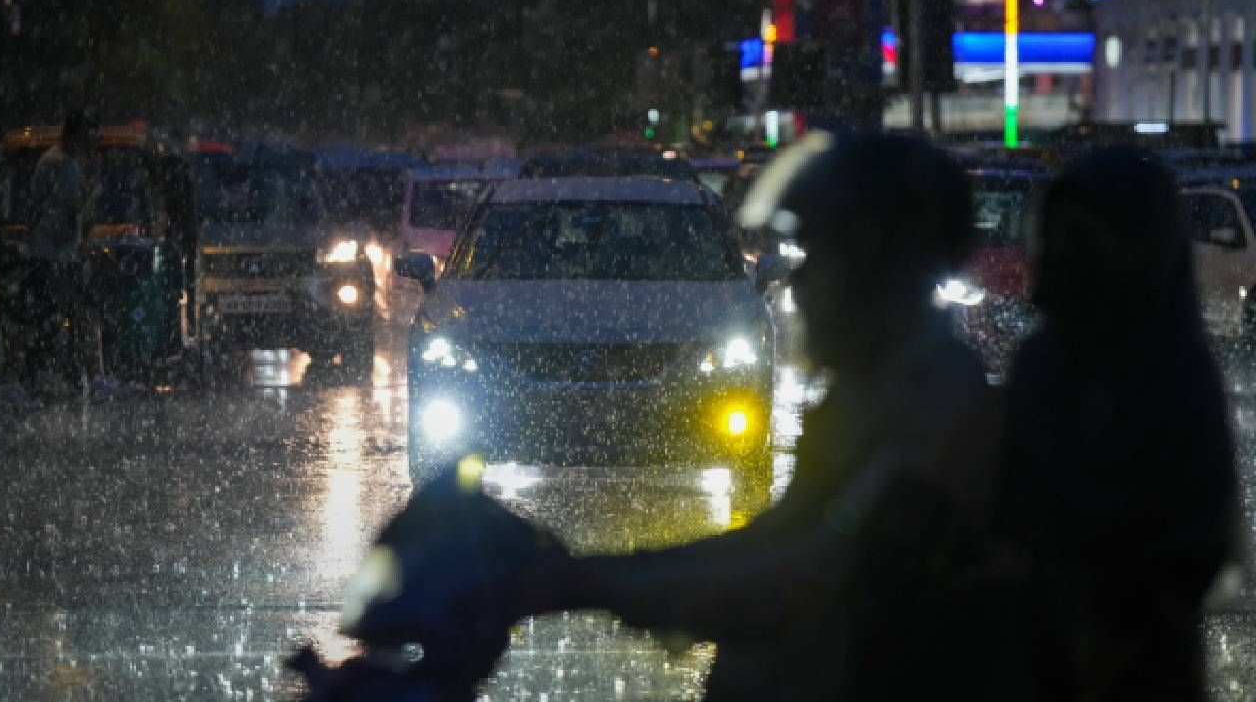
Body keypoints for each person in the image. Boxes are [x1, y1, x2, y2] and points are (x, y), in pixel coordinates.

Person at [486, 132, 1013, 700]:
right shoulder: (868, 395)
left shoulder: (932, 407)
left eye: (820, 259)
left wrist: (590, 582)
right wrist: (587, 577)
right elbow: (776, 539)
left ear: (875, 264)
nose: (803, 288)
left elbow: (801, 572)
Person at [1000, 148, 1240, 701]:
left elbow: (1194, 542)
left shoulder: (1172, 372)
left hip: (1141, 660)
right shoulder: (1050, 363)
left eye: (1088, 242)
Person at [22, 109, 100, 395]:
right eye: (89, 135)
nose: (93, 142)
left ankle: (50, 378)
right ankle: (61, 378)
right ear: (77, 136)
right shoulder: (63, 164)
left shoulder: (55, 160)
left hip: (50, 253)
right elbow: (73, 206)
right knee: (65, 316)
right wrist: (91, 192)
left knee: (51, 318)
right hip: (55, 255)